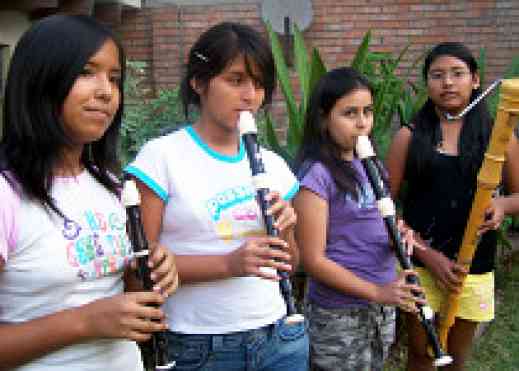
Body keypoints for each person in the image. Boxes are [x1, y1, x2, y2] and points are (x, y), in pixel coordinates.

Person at [124, 22, 308, 371]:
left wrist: (285, 230)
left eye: (258, 84)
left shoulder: (273, 166)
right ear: (199, 82)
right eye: (235, 79)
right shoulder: (161, 158)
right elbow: (138, 272)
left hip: (280, 337)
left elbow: (292, 264)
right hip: (199, 344)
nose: (250, 95)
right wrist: (229, 264)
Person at [0, 15, 178, 371]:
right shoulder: (7, 193)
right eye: (85, 72)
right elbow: (93, 313)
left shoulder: (111, 186)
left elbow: (113, 294)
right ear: (39, 80)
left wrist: (145, 272)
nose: (106, 91)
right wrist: (84, 322)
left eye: (114, 78)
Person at [385, 42, 519, 371]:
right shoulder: (409, 136)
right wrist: (426, 254)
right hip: (420, 261)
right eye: (437, 75)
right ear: (427, 84)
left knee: (455, 358)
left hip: (472, 266)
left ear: (475, 80)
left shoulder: (499, 138)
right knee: (421, 352)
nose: (447, 82)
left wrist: (501, 205)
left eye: (457, 74)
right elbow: (383, 208)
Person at [293, 67, 423, 371]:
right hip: (338, 314)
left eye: (368, 111)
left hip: (380, 304)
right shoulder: (316, 175)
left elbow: (372, 225)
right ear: (324, 119)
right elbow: (312, 261)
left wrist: (397, 234)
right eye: (349, 113)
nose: (362, 122)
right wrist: (379, 292)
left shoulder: (372, 165)